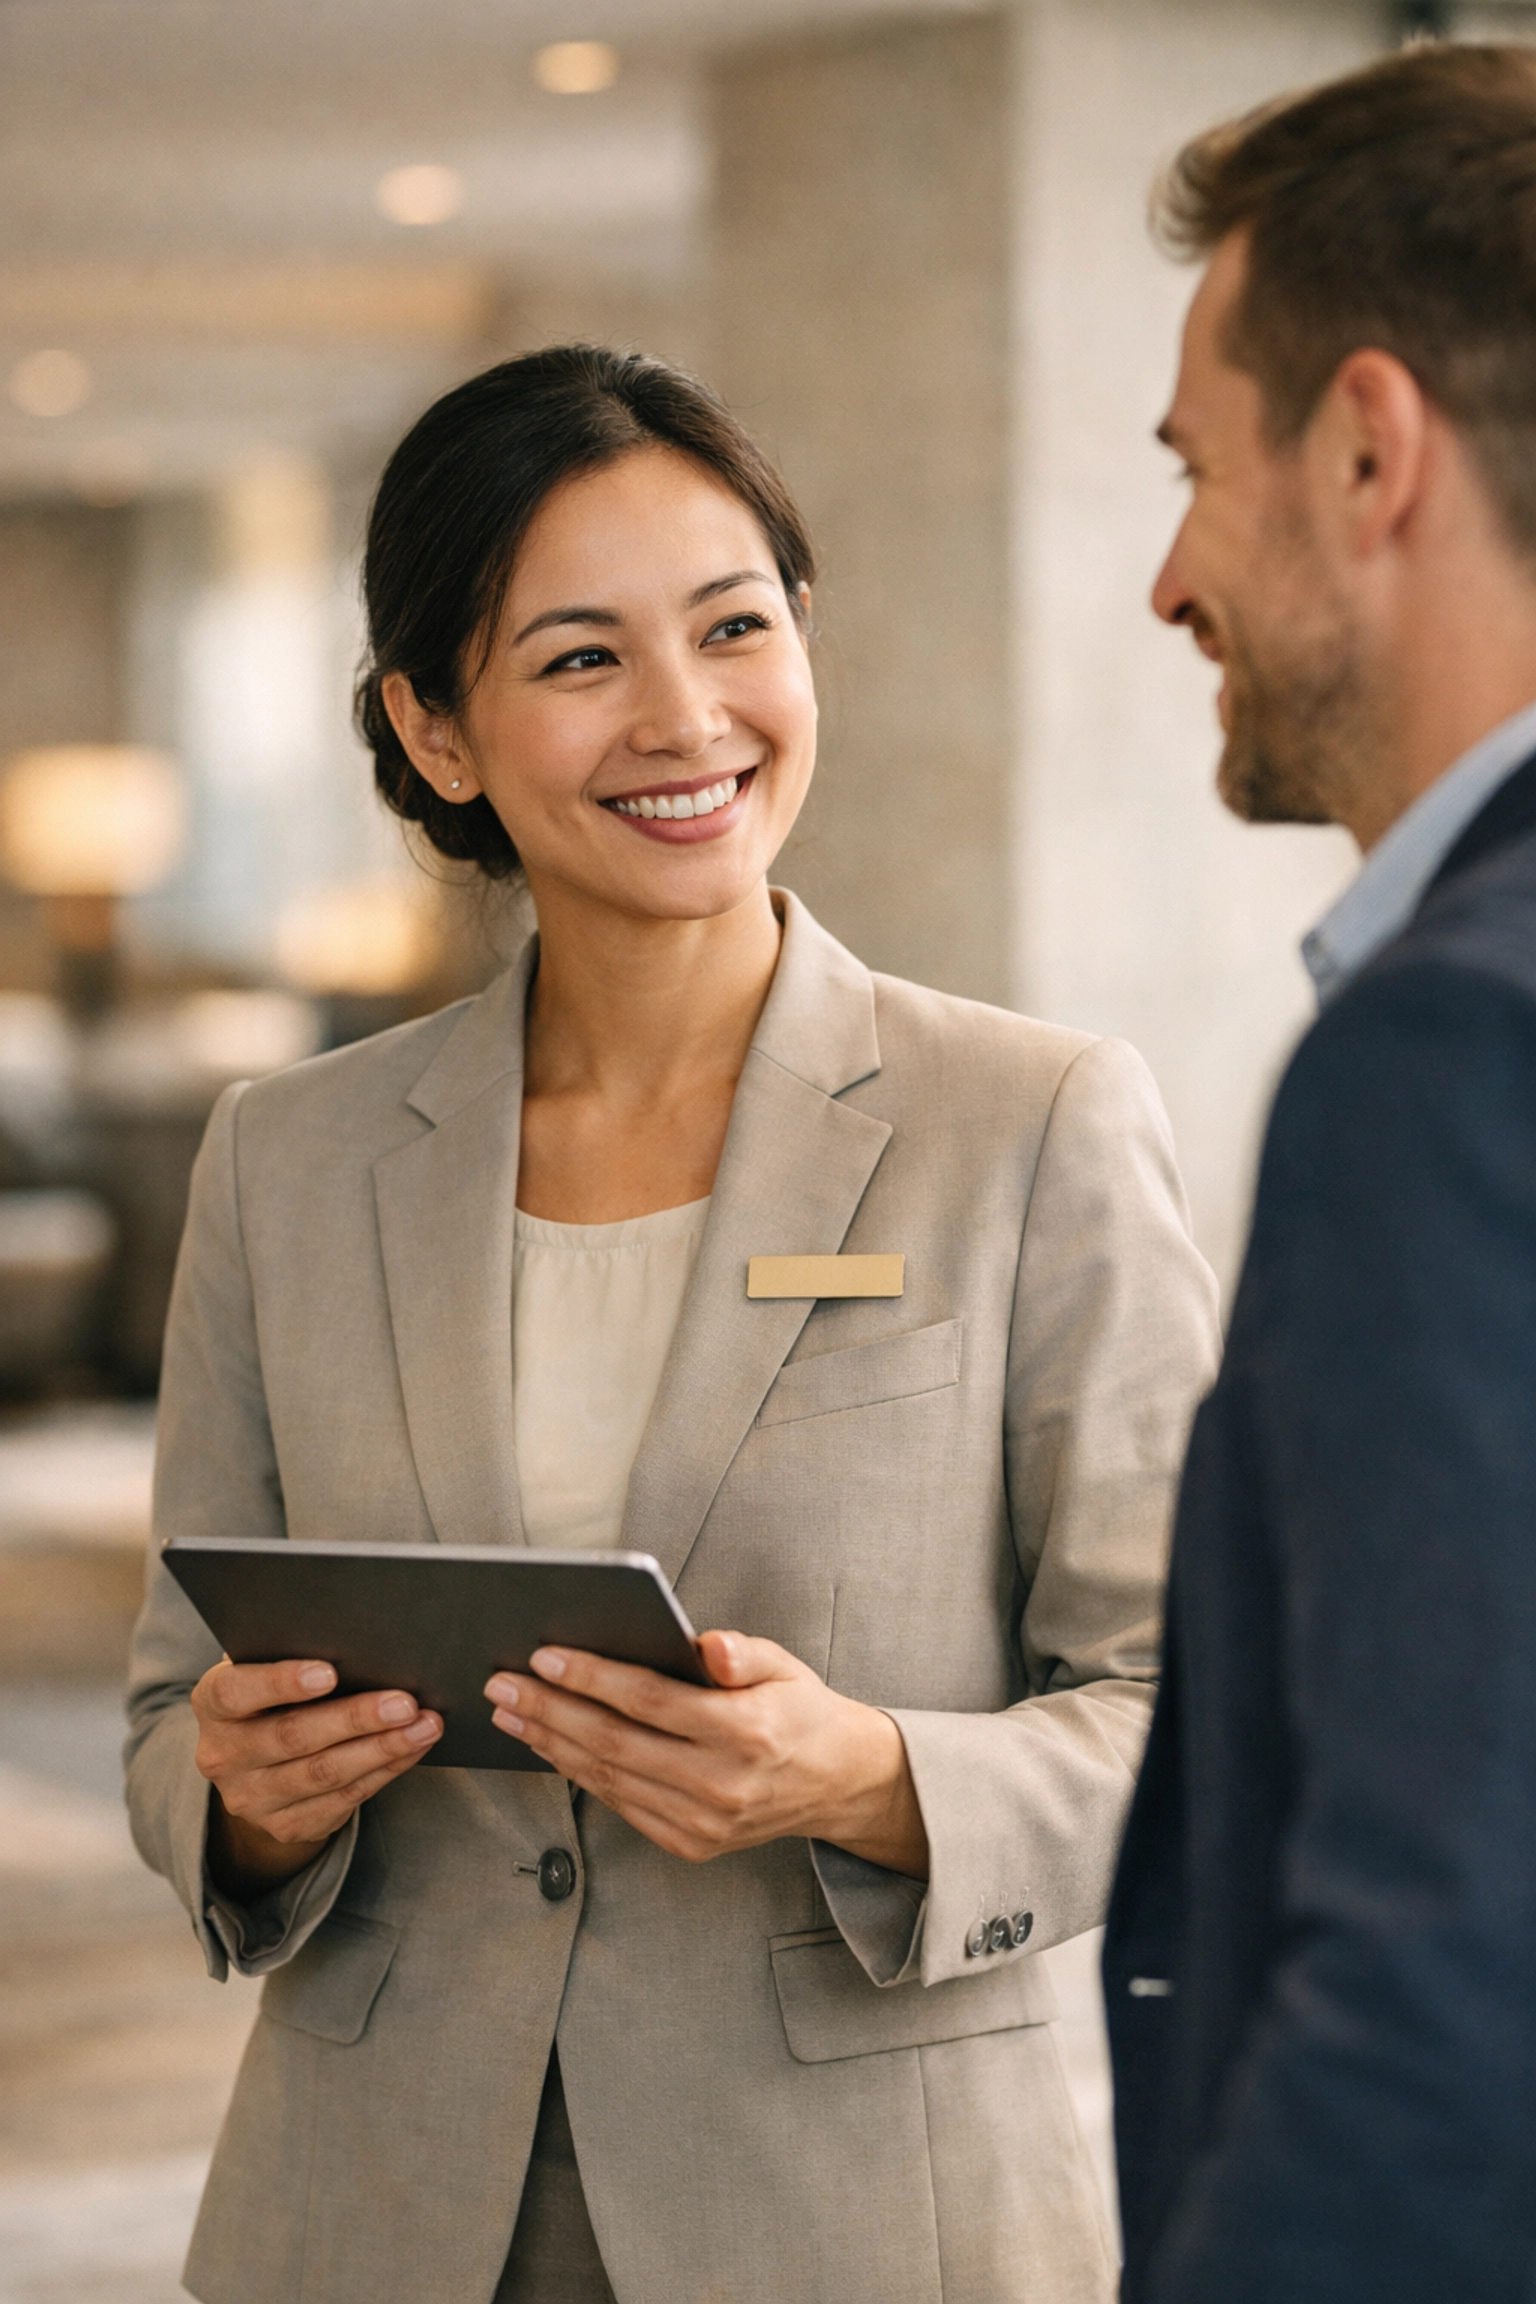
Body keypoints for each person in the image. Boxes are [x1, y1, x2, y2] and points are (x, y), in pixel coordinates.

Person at [126, 345, 1218, 2304]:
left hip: (869, 2220)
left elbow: (1203, 1720)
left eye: (736, 626)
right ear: (434, 728)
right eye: (577, 659)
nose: (686, 717)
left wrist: (870, 1778)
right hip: (375, 2219)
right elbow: (164, 1712)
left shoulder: (1027, 1124)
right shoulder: (287, 1160)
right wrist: (239, 1800)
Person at [1104, 42, 1536, 2304]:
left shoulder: (1450, 1061)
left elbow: (1445, 1972)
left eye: (1196, 467)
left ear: (1369, 446)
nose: (1173, 577)